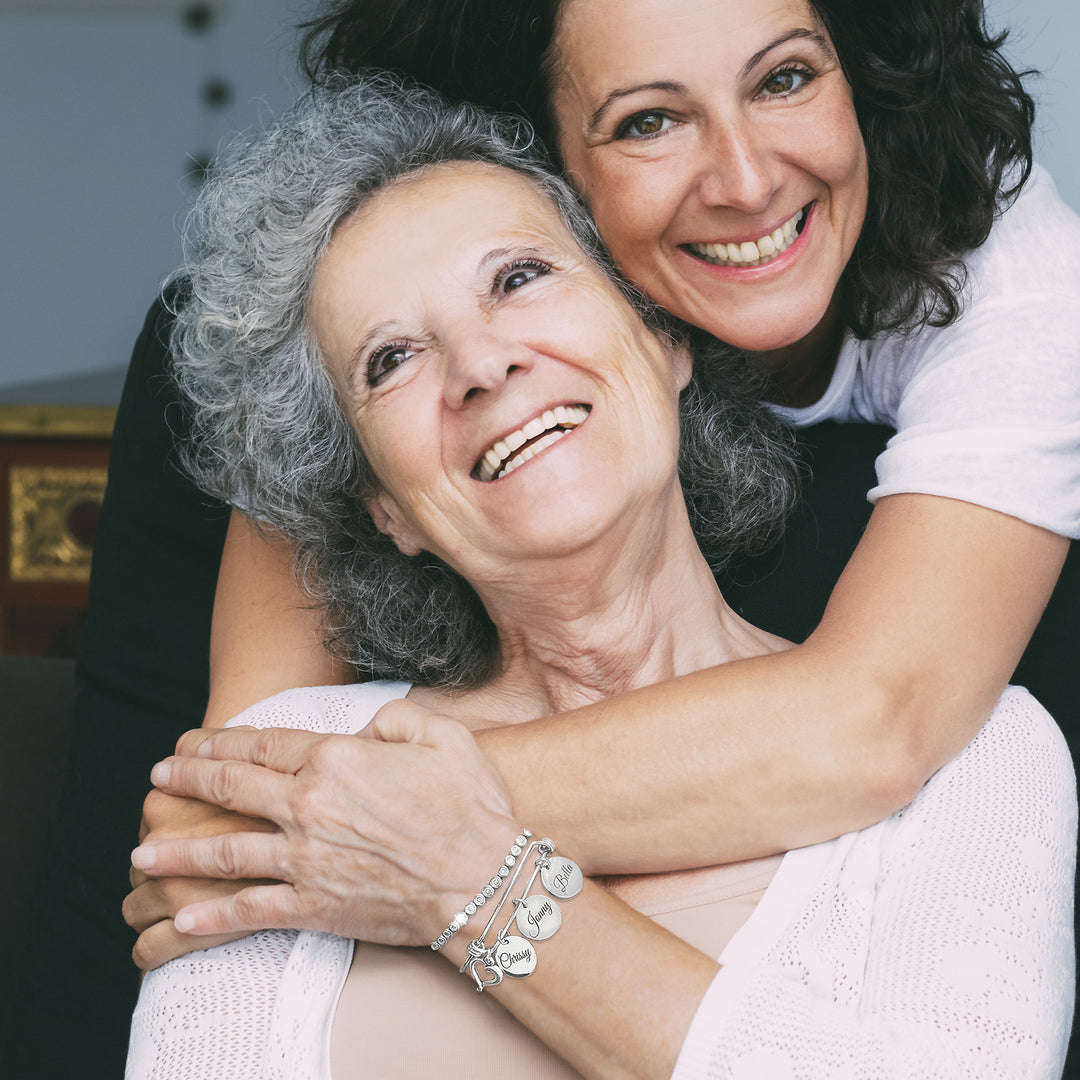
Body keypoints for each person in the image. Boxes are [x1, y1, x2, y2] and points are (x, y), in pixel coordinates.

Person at [125, 76, 1074, 1079]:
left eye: (521, 277)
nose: (482, 364)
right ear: (385, 509)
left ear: (664, 338)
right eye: (392, 358)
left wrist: (476, 885)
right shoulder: (294, 782)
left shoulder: (973, 759)